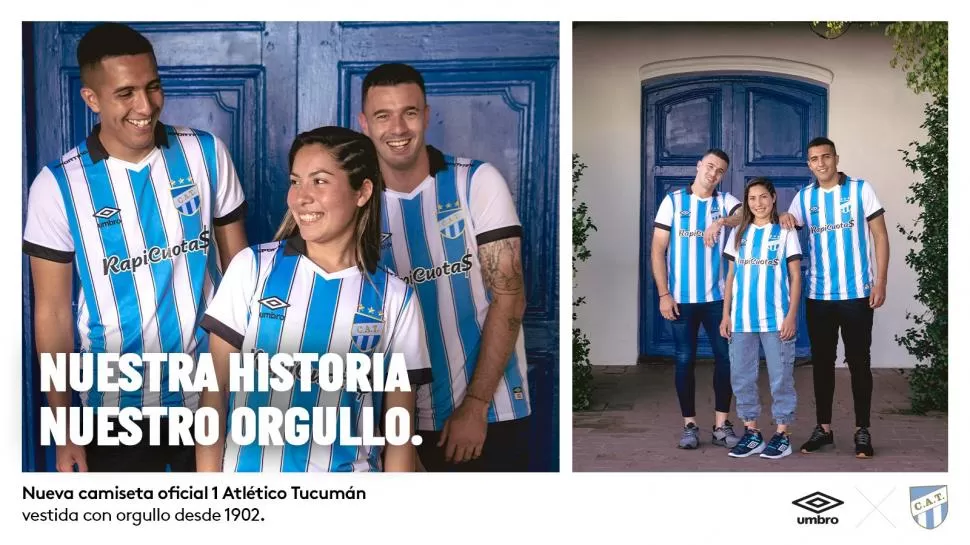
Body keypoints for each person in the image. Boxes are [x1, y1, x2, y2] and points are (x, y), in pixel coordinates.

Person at [22, 22, 248, 472]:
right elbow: (52, 313)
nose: (145, 106)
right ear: (92, 99)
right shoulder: (57, 184)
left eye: (152, 87)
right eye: (125, 93)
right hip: (112, 404)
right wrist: (65, 429)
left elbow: (241, 277)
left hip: (207, 394)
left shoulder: (205, 153)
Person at [196, 126, 431, 472]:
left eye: (319, 181)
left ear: (363, 191)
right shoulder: (253, 268)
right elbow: (213, 395)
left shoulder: (395, 297)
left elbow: (399, 435)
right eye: (295, 181)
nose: (300, 197)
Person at [358, 63, 531, 471]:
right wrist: (387, 431)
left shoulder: (476, 181)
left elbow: (510, 296)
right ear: (365, 123)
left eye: (410, 112)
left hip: (489, 411)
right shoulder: (357, 198)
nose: (397, 128)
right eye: (383, 115)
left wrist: (475, 406)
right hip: (393, 424)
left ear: (427, 115)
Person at [778, 137, 890, 458]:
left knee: (859, 362)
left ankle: (862, 429)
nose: (821, 163)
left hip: (857, 294)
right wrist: (785, 216)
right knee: (822, 364)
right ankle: (823, 429)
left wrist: (880, 281)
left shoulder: (860, 190)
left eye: (826, 157)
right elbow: (787, 224)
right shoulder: (805, 197)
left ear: (836, 158)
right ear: (809, 165)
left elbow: (880, 236)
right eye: (814, 159)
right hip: (819, 296)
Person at [651, 148, 742, 450]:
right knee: (684, 360)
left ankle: (720, 425)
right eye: (710, 166)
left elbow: (746, 214)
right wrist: (664, 294)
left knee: (725, 359)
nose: (713, 174)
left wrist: (720, 224)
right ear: (699, 164)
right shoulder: (674, 202)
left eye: (720, 171)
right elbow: (657, 250)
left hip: (717, 300)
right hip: (681, 299)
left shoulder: (724, 202)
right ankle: (689, 425)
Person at [719, 178, 802, 459]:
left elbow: (795, 276)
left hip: (777, 320)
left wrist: (791, 315)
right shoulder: (739, 234)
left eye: (764, 197)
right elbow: (730, 277)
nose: (759, 203)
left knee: (781, 378)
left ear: (774, 197)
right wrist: (725, 315)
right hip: (741, 320)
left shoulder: (785, 231)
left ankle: (782, 434)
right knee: (741, 377)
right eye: (752, 198)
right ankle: (752, 432)